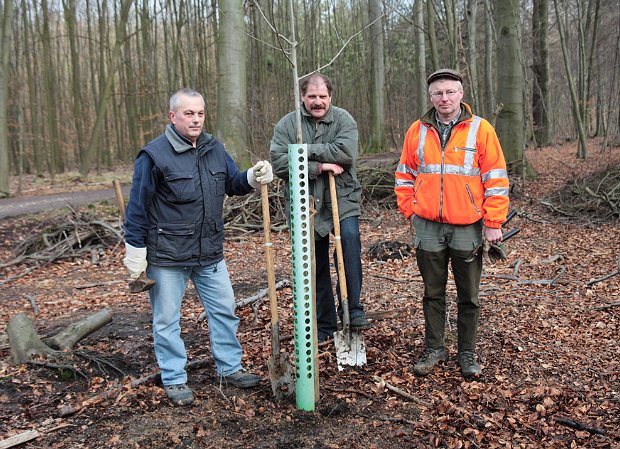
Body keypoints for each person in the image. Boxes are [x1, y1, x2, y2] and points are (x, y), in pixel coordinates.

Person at [123, 88, 273, 405]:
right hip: (167, 256)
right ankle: (175, 379)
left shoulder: (213, 148)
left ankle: (230, 369)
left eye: (200, 113)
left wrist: (252, 176)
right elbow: (137, 208)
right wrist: (135, 252)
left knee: (224, 312)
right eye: (189, 113)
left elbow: (232, 182)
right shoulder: (153, 156)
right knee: (166, 321)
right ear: (173, 116)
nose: (196, 119)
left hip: (209, 253)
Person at [394, 68, 509, 379]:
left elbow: (496, 179)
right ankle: (434, 348)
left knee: (468, 294)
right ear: (431, 97)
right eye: (438, 93)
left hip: (468, 225)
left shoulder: (481, 130)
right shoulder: (417, 130)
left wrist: (493, 221)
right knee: (432, 291)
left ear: (461, 94)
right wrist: (411, 210)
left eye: (450, 92)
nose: (444, 98)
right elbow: (404, 174)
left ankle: (467, 352)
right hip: (428, 225)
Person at [270, 73, 371, 343]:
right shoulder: (288, 124)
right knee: (314, 264)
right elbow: (279, 163)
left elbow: (346, 154)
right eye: (312, 97)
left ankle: (352, 309)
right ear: (302, 97)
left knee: (349, 243)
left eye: (322, 96)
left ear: (330, 96)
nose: (317, 102)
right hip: (305, 200)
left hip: (342, 197)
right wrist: (319, 165)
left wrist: (301, 151)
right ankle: (324, 325)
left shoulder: (343, 119)